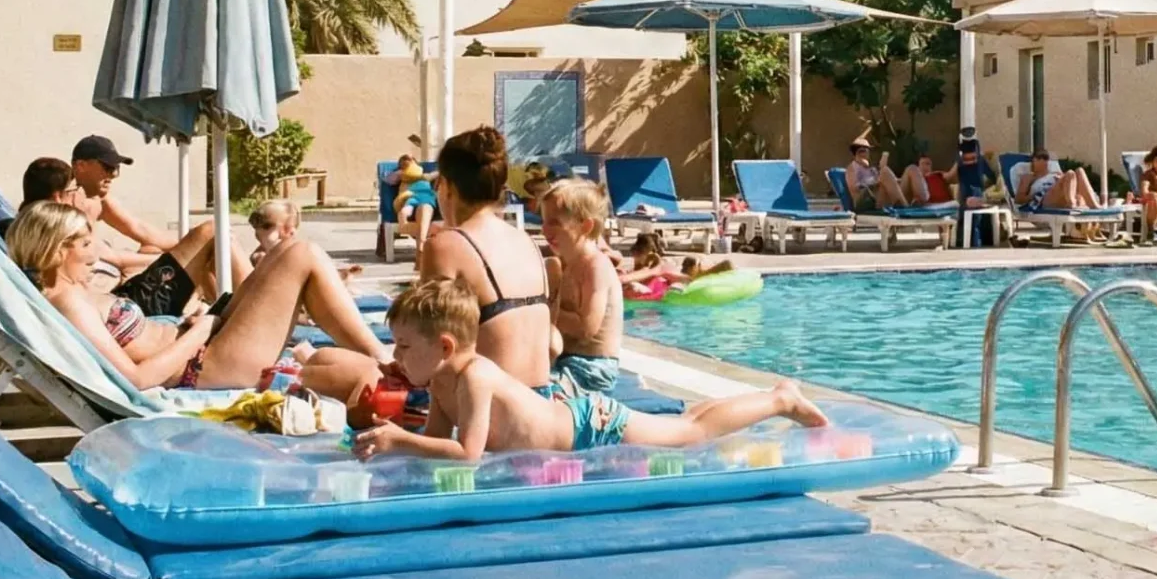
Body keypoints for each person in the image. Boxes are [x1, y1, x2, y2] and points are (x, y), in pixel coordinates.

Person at [351, 280, 826, 460]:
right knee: (681, 422)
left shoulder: (474, 375)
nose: (395, 355)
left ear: (446, 345)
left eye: (405, 345)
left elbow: (467, 452)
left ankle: (780, 398)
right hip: (568, 416)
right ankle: (760, 400)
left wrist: (398, 439)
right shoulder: (440, 378)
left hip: (589, 426)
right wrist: (389, 439)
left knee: (689, 433)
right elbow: (437, 438)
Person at [7, 200, 381, 394]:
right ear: (57, 252)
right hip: (204, 365)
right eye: (86, 245)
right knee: (301, 254)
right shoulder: (70, 303)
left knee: (286, 253)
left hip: (200, 343)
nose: (95, 253)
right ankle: (387, 360)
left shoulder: (68, 292)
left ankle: (383, 359)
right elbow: (136, 379)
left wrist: (193, 325)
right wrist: (201, 331)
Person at [415, 125, 555, 391]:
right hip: (540, 400)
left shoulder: (445, 246)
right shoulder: (527, 242)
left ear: (447, 187)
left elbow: (430, 345)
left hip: (487, 407)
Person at [542, 179, 624, 398]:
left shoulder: (595, 266)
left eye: (555, 222)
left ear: (585, 226)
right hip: (565, 360)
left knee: (537, 396)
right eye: (543, 221)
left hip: (592, 369)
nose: (544, 229)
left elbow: (586, 327)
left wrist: (542, 312)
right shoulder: (562, 263)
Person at [388, 136, 439, 250]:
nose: (408, 161)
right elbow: (388, 180)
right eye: (404, 161)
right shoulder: (401, 176)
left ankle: (420, 243)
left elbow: (436, 174)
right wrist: (400, 173)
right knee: (403, 214)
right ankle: (432, 231)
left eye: (411, 160)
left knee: (421, 210)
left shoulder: (424, 176)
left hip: (424, 198)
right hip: (410, 198)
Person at [842, 138, 916, 211]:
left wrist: (898, 181)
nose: (865, 153)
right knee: (884, 171)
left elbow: (886, 182)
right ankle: (905, 207)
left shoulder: (872, 169)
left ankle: (911, 202)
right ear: (855, 153)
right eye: (861, 151)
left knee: (910, 170)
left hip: (877, 196)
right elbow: (854, 188)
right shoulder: (852, 168)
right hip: (865, 201)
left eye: (866, 150)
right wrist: (875, 183)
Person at [1020, 150, 1101, 210]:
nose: (1042, 161)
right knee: (1070, 174)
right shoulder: (1028, 177)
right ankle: (1072, 204)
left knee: (1079, 171)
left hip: (1062, 196)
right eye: (1037, 159)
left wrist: (1060, 179)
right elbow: (1018, 199)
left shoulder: (1056, 174)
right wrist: (1034, 196)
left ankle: (1094, 206)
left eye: (1045, 158)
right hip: (1043, 199)